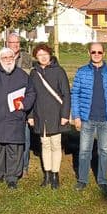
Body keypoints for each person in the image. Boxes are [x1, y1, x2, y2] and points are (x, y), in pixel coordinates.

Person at [72, 42, 107, 194]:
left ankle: (102, 180)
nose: (96, 54)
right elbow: (74, 94)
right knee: (84, 151)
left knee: (104, 150)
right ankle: (82, 180)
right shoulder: (81, 72)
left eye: (99, 52)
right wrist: (76, 116)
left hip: (106, 120)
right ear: (88, 53)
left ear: (104, 53)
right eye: (93, 52)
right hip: (87, 119)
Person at [0, 47, 36, 189]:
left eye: (10, 57)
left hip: (15, 118)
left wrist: (24, 105)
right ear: (0, 60)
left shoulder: (22, 75)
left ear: (14, 58)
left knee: (14, 149)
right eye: (4, 58)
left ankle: (12, 177)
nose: (8, 60)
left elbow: (31, 93)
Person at [27, 43, 71, 189]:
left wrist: (65, 115)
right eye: (39, 55)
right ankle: (47, 175)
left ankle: (55, 175)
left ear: (50, 54)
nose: (43, 57)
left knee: (56, 144)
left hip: (56, 114)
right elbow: (30, 95)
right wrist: (31, 115)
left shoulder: (59, 71)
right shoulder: (34, 73)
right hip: (40, 114)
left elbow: (66, 94)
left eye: (45, 54)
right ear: (36, 57)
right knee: (45, 144)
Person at [0, 32, 34, 177]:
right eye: (12, 42)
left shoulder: (27, 58)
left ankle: (23, 166)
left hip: (22, 104)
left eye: (17, 42)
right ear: (7, 43)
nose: (15, 45)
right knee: (5, 138)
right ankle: (5, 167)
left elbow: (31, 79)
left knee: (24, 137)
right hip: (4, 106)